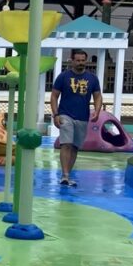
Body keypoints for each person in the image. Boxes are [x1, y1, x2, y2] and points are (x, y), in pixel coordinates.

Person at [50, 48, 103, 187]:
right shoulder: (63, 77)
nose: (81, 63)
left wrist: (97, 110)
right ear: (72, 61)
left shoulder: (92, 78)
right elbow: (54, 96)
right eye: (78, 60)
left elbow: (97, 96)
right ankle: (65, 175)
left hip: (82, 117)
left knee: (75, 147)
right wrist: (55, 114)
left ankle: (68, 174)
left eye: (83, 60)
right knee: (66, 144)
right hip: (65, 114)